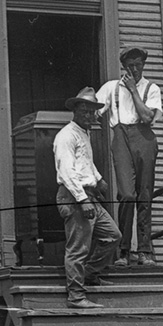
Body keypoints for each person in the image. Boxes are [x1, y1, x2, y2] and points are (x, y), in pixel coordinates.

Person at [54, 87, 121, 310]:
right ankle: (76, 296)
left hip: (89, 194)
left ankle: (90, 275)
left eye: (92, 111)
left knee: (112, 235)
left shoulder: (84, 133)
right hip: (74, 196)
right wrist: (82, 200)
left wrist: (99, 179)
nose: (89, 115)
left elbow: (84, 162)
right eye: (84, 111)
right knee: (78, 248)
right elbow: (67, 171)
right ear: (75, 110)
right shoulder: (66, 135)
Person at [97, 46, 163, 267]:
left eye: (138, 65)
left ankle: (144, 251)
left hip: (144, 139)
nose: (134, 69)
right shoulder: (111, 88)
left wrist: (134, 90)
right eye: (130, 65)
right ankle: (123, 251)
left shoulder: (151, 89)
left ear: (143, 64)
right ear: (123, 66)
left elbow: (147, 117)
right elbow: (92, 110)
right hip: (121, 137)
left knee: (145, 194)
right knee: (126, 194)